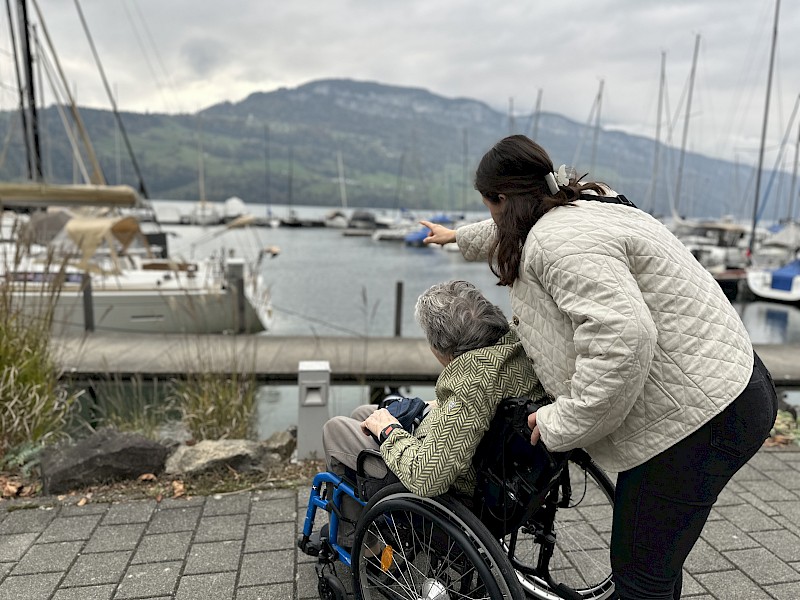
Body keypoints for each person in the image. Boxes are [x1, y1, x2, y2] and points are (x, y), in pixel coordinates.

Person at [420, 134, 779, 600]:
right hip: (731, 382)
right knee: (655, 564)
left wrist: (561, 423)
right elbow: (508, 227)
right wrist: (457, 237)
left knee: (638, 577)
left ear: (504, 199)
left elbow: (624, 340)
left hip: (697, 419)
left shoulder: (558, 244)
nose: (490, 216)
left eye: (488, 204)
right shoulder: (581, 203)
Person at [321, 279, 546, 546]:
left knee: (335, 429)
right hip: (498, 471)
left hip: (456, 494)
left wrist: (389, 431)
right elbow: (481, 406)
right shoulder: (514, 351)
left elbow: (428, 477)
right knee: (363, 413)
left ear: (441, 349)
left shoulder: (471, 381)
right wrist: (442, 406)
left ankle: (358, 541)